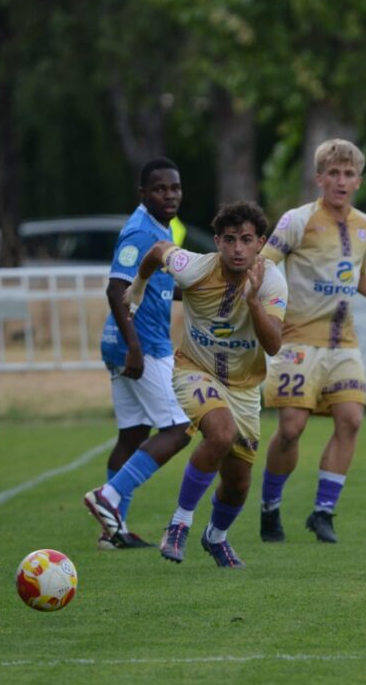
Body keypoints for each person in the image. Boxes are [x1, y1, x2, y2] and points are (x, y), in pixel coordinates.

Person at [85, 202, 286, 568]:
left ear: (261, 243)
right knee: (219, 433)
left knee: (239, 482)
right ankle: (178, 525)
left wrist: (253, 302)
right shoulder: (195, 267)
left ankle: (216, 537)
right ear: (217, 242)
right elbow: (159, 251)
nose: (237, 248)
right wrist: (140, 287)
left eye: (246, 240)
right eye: (229, 240)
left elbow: (273, 344)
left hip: (243, 388)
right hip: (195, 370)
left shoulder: (271, 280)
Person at [257, 139, 366, 544]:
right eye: (333, 173)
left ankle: (323, 513)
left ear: (358, 180)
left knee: (351, 420)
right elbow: (263, 264)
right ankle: (270, 507)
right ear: (319, 178)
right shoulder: (296, 220)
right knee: (291, 429)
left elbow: (356, 276)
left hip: (344, 343)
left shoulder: (365, 225)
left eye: (349, 174)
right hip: (298, 340)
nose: (341, 181)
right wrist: (261, 307)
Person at [89, 158, 191, 550]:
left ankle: (113, 533)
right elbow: (117, 290)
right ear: (143, 194)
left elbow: (161, 287)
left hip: (126, 343)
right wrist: (135, 346)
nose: (170, 195)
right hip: (142, 345)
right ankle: (108, 498)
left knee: (133, 434)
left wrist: (208, 293)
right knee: (180, 429)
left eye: (175, 188)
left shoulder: (162, 229)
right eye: (160, 189)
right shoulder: (140, 233)